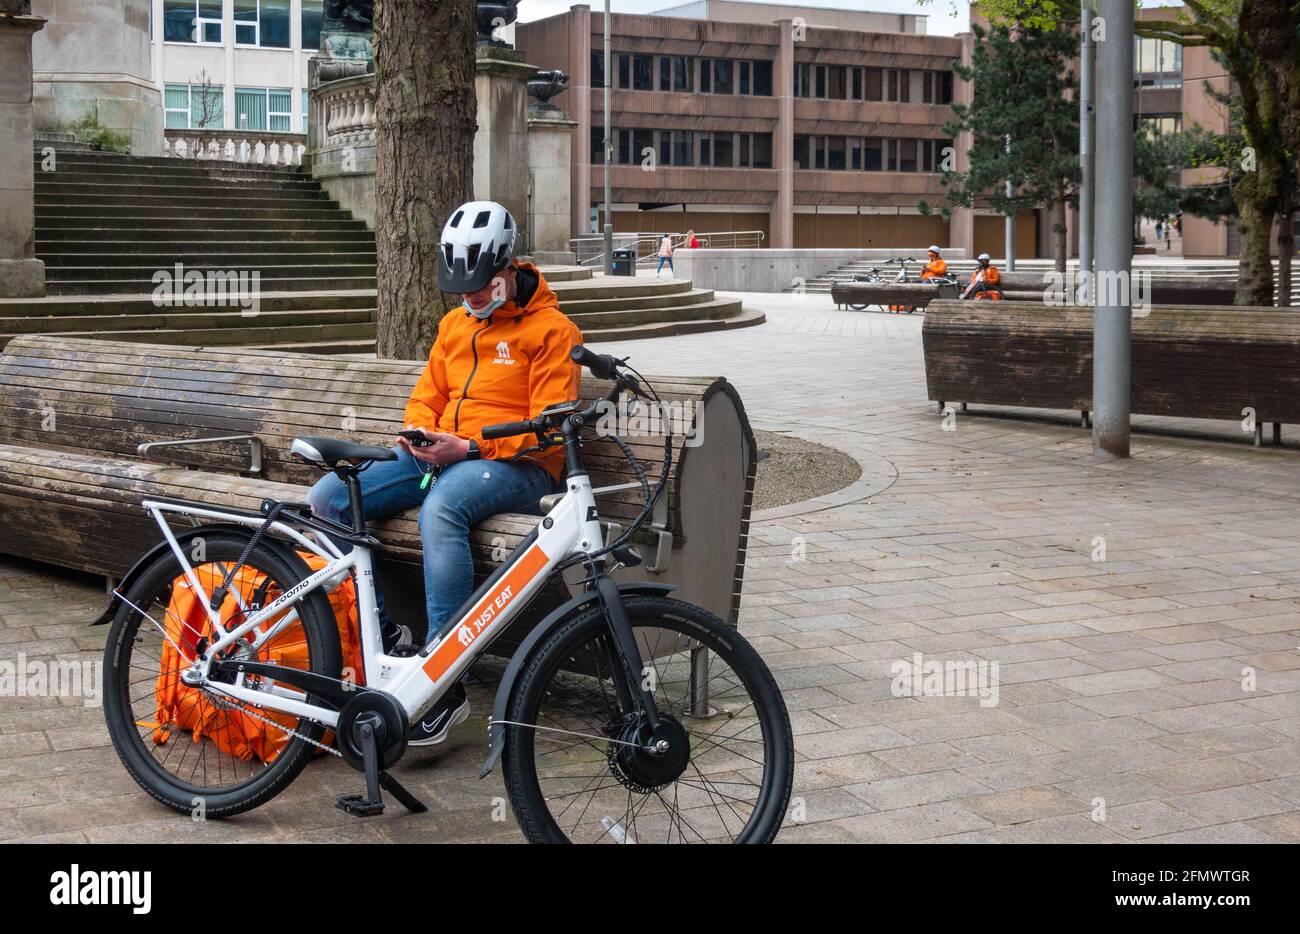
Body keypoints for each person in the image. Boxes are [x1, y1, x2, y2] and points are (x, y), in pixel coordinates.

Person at [307, 200, 582, 747]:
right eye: (462, 290)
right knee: (330, 498)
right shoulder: (454, 325)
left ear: (509, 269)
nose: (471, 299)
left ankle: (441, 675)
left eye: (481, 287)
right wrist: (419, 435)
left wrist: (470, 447)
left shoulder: (553, 330)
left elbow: (551, 426)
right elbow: (425, 398)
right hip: (442, 455)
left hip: (519, 467)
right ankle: (382, 635)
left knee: (443, 509)